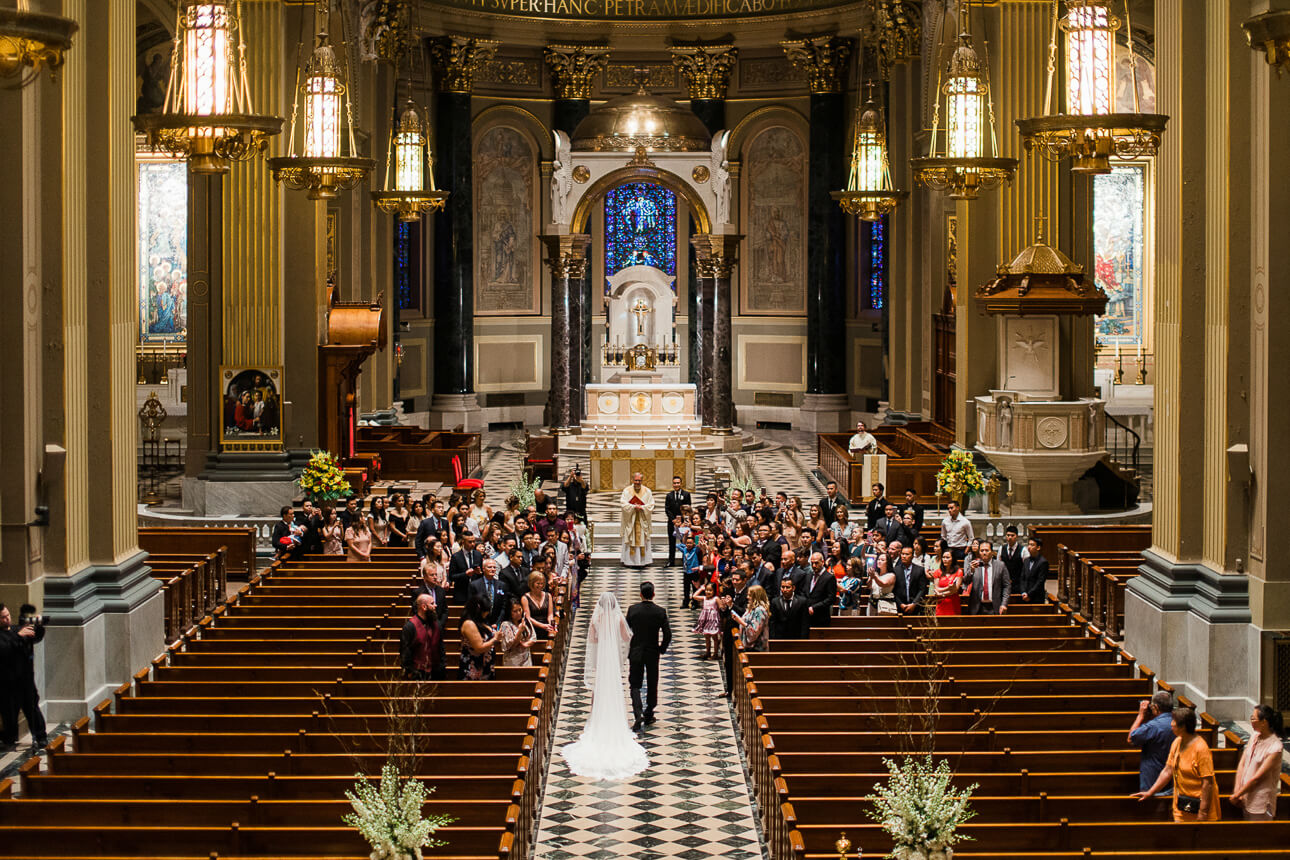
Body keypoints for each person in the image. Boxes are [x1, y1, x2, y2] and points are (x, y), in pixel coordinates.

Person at [560, 591, 650, 781]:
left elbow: (592, 640)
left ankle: (598, 720)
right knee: (615, 689)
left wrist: (604, 642)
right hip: (613, 661)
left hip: (602, 660)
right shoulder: (618, 618)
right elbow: (627, 637)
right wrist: (618, 648)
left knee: (600, 690)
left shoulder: (597, 619)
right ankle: (615, 721)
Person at [1132, 707, 1220, 821]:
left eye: (1173, 721)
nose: (1171, 724)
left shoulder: (1201, 749)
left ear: (1183, 727)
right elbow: (1167, 770)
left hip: (1200, 807)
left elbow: (1207, 783)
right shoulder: (1177, 741)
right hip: (1182, 803)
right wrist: (1150, 792)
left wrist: (1203, 812)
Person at [626, 581, 671, 733]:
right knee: (652, 682)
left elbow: (626, 631)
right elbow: (668, 634)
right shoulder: (660, 611)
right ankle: (649, 711)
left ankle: (637, 714)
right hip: (652, 651)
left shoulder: (633, 610)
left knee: (635, 684)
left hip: (636, 651)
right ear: (653, 594)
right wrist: (661, 649)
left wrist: (629, 648)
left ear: (640, 594)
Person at [0, 604, 46, 751]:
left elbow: (36, 637)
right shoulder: (8, 635)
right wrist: (18, 636)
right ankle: (9, 738)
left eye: (8, 615)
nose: (7, 618)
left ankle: (41, 736)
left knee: (32, 708)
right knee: (10, 713)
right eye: (3, 617)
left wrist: (37, 626)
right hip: (7, 683)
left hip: (25, 680)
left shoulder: (16, 629)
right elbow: (4, 650)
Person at [1231, 704, 1285, 819]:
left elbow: (1257, 778)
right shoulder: (1254, 736)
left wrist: (1238, 794)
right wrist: (1237, 790)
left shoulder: (1275, 747)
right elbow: (1242, 763)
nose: (1251, 721)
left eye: (1253, 718)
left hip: (1261, 803)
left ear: (1264, 722)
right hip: (1245, 796)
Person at [1128, 691, 1176, 796]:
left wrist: (1141, 715)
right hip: (1175, 781)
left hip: (1153, 780)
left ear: (1155, 707)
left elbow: (1131, 738)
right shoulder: (1179, 724)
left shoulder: (1153, 726)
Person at [399, 594, 446, 680]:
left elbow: (441, 647)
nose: (435, 605)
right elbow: (405, 652)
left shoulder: (437, 624)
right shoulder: (410, 627)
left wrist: (442, 666)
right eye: (432, 603)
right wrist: (410, 672)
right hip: (417, 673)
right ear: (424, 607)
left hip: (436, 672)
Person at [965, 540, 1010, 615]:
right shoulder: (974, 565)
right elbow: (966, 582)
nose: (984, 553)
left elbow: (1007, 586)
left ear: (992, 552)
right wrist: (971, 571)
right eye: (982, 550)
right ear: (979, 552)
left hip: (995, 606)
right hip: (977, 607)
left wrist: (1004, 604)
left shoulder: (1000, 565)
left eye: (987, 550)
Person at [458, 595, 498, 681]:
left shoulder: (482, 621)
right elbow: (479, 647)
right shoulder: (469, 624)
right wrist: (495, 638)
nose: (487, 613)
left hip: (486, 666)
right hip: (474, 668)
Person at [620, 473, 655, 567]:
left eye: (639, 481)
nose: (637, 482)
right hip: (631, 520)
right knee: (631, 538)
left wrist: (643, 507)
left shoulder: (647, 491)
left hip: (642, 519)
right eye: (636, 480)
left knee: (643, 538)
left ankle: (643, 561)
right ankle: (630, 561)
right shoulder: (627, 491)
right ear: (632, 480)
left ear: (642, 481)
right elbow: (623, 503)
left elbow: (651, 504)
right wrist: (633, 506)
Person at [496, 599, 536, 668]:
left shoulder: (526, 621)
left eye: (520, 610)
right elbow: (510, 645)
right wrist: (520, 631)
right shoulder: (505, 625)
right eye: (515, 611)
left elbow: (533, 637)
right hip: (512, 662)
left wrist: (525, 644)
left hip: (526, 660)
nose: (518, 613)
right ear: (509, 612)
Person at [802, 552, 838, 628]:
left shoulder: (829, 578)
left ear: (822, 562)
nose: (814, 566)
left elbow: (831, 599)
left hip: (821, 618)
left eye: (816, 563)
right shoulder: (808, 576)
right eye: (812, 563)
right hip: (806, 617)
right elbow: (805, 593)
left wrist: (814, 607)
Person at [892, 544, 928, 616]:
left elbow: (922, 590)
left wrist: (914, 604)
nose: (904, 556)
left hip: (916, 607)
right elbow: (893, 590)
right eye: (902, 554)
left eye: (907, 554)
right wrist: (901, 604)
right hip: (899, 607)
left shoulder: (919, 570)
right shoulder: (895, 570)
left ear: (912, 556)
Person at [734, 585, 771, 653]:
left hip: (756, 649)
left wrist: (740, 622)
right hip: (747, 647)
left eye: (750, 595)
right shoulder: (750, 608)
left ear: (756, 596)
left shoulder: (760, 611)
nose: (747, 597)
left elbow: (753, 633)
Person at [664, 475, 692, 567]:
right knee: (671, 542)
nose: (676, 484)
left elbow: (688, 508)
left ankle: (686, 561)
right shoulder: (669, 496)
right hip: (672, 523)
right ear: (672, 484)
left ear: (681, 483)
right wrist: (674, 520)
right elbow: (667, 509)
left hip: (683, 523)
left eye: (678, 483)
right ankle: (671, 561)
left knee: (684, 542)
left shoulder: (686, 494)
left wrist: (683, 520)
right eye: (675, 483)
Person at [447, 533, 483, 603]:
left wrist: (480, 573)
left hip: (476, 594)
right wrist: (465, 574)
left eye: (473, 541)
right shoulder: (456, 557)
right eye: (470, 542)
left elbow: (481, 575)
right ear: (463, 542)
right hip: (461, 593)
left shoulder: (478, 555)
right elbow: (452, 577)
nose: (473, 544)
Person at [692, 581, 722, 660]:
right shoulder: (704, 598)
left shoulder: (716, 598)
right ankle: (707, 652)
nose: (708, 592)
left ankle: (715, 653)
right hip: (705, 619)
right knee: (707, 636)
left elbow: (722, 607)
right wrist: (701, 589)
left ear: (714, 591)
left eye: (710, 590)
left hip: (713, 620)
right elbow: (694, 596)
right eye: (706, 590)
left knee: (714, 637)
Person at [1018, 536, 1050, 603]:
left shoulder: (1043, 562)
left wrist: (1029, 594)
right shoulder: (1026, 560)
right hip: (1024, 596)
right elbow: (1022, 578)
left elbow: (1040, 582)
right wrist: (1023, 592)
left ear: (1038, 547)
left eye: (1032, 545)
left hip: (1036, 597)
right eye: (1028, 544)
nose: (1029, 547)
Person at [931, 550, 963, 616]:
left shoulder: (959, 572)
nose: (945, 559)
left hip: (953, 603)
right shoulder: (938, 572)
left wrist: (941, 594)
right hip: (941, 603)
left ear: (953, 558)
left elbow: (955, 590)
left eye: (947, 557)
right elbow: (937, 588)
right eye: (943, 557)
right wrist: (948, 588)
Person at [998, 525, 1026, 589]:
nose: (1010, 537)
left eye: (1012, 535)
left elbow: (1026, 568)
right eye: (1008, 535)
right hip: (1004, 582)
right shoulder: (1001, 549)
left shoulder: (1023, 550)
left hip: (1018, 583)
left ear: (1017, 536)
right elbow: (999, 566)